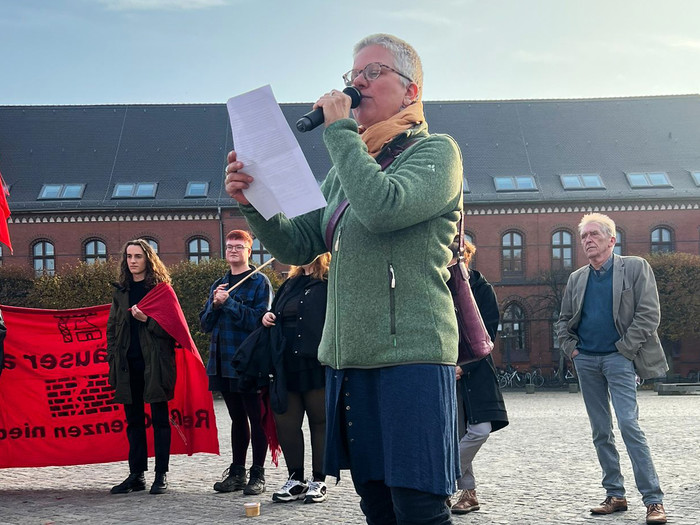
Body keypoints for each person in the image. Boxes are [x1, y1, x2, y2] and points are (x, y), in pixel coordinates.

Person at [225, 33, 463, 524]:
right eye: (352, 75)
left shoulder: (437, 152)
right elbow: (298, 243)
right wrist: (255, 204)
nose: (356, 84)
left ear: (411, 91)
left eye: (371, 73)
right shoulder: (344, 170)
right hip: (350, 357)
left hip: (411, 356)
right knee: (374, 500)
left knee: (417, 504)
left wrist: (339, 135)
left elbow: (383, 208)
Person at [556, 213, 668, 525]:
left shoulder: (634, 267)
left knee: (629, 425)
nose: (588, 240)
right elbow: (564, 321)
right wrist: (573, 350)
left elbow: (649, 313)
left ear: (611, 240)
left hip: (620, 358)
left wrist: (624, 349)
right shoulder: (577, 278)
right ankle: (615, 494)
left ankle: (654, 501)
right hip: (586, 361)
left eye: (594, 234)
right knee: (600, 430)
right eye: (584, 237)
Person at [200, 229, 273, 495]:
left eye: (239, 246)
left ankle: (258, 475)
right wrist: (215, 304)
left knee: (257, 418)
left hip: (248, 363)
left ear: (249, 251)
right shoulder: (219, 284)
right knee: (236, 418)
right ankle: (237, 473)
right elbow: (205, 324)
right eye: (230, 246)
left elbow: (259, 320)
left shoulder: (259, 282)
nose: (233, 250)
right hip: (222, 361)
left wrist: (229, 303)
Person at [107, 239, 177, 495]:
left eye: (137, 256)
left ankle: (161, 475)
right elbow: (112, 327)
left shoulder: (161, 289)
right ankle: (136, 475)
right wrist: (113, 357)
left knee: (160, 420)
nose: (132, 261)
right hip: (128, 364)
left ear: (148, 259)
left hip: (156, 364)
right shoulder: (121, 290)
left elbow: (173, 328)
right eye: (128, 256)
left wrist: (148, 320)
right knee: (133, 421)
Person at [262, 253, 330, 504]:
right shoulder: (289, 283)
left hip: (315, 362)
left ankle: (319, 480)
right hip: (285, 362)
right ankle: (296, 479)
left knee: (319, 422)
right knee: (286, 423)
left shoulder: (328, 281)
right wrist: (268, 317)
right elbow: (275, 311)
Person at [450, 241, 508, 514]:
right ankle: (469, 492)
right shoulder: (441, 286)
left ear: (467, 257)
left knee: (479, 430)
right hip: (447, 371)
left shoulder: (482, 290)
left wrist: (465, 367)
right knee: (458, 432)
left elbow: (487, 336)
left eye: (457, 256)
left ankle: (443, 479)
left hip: (477, 372)